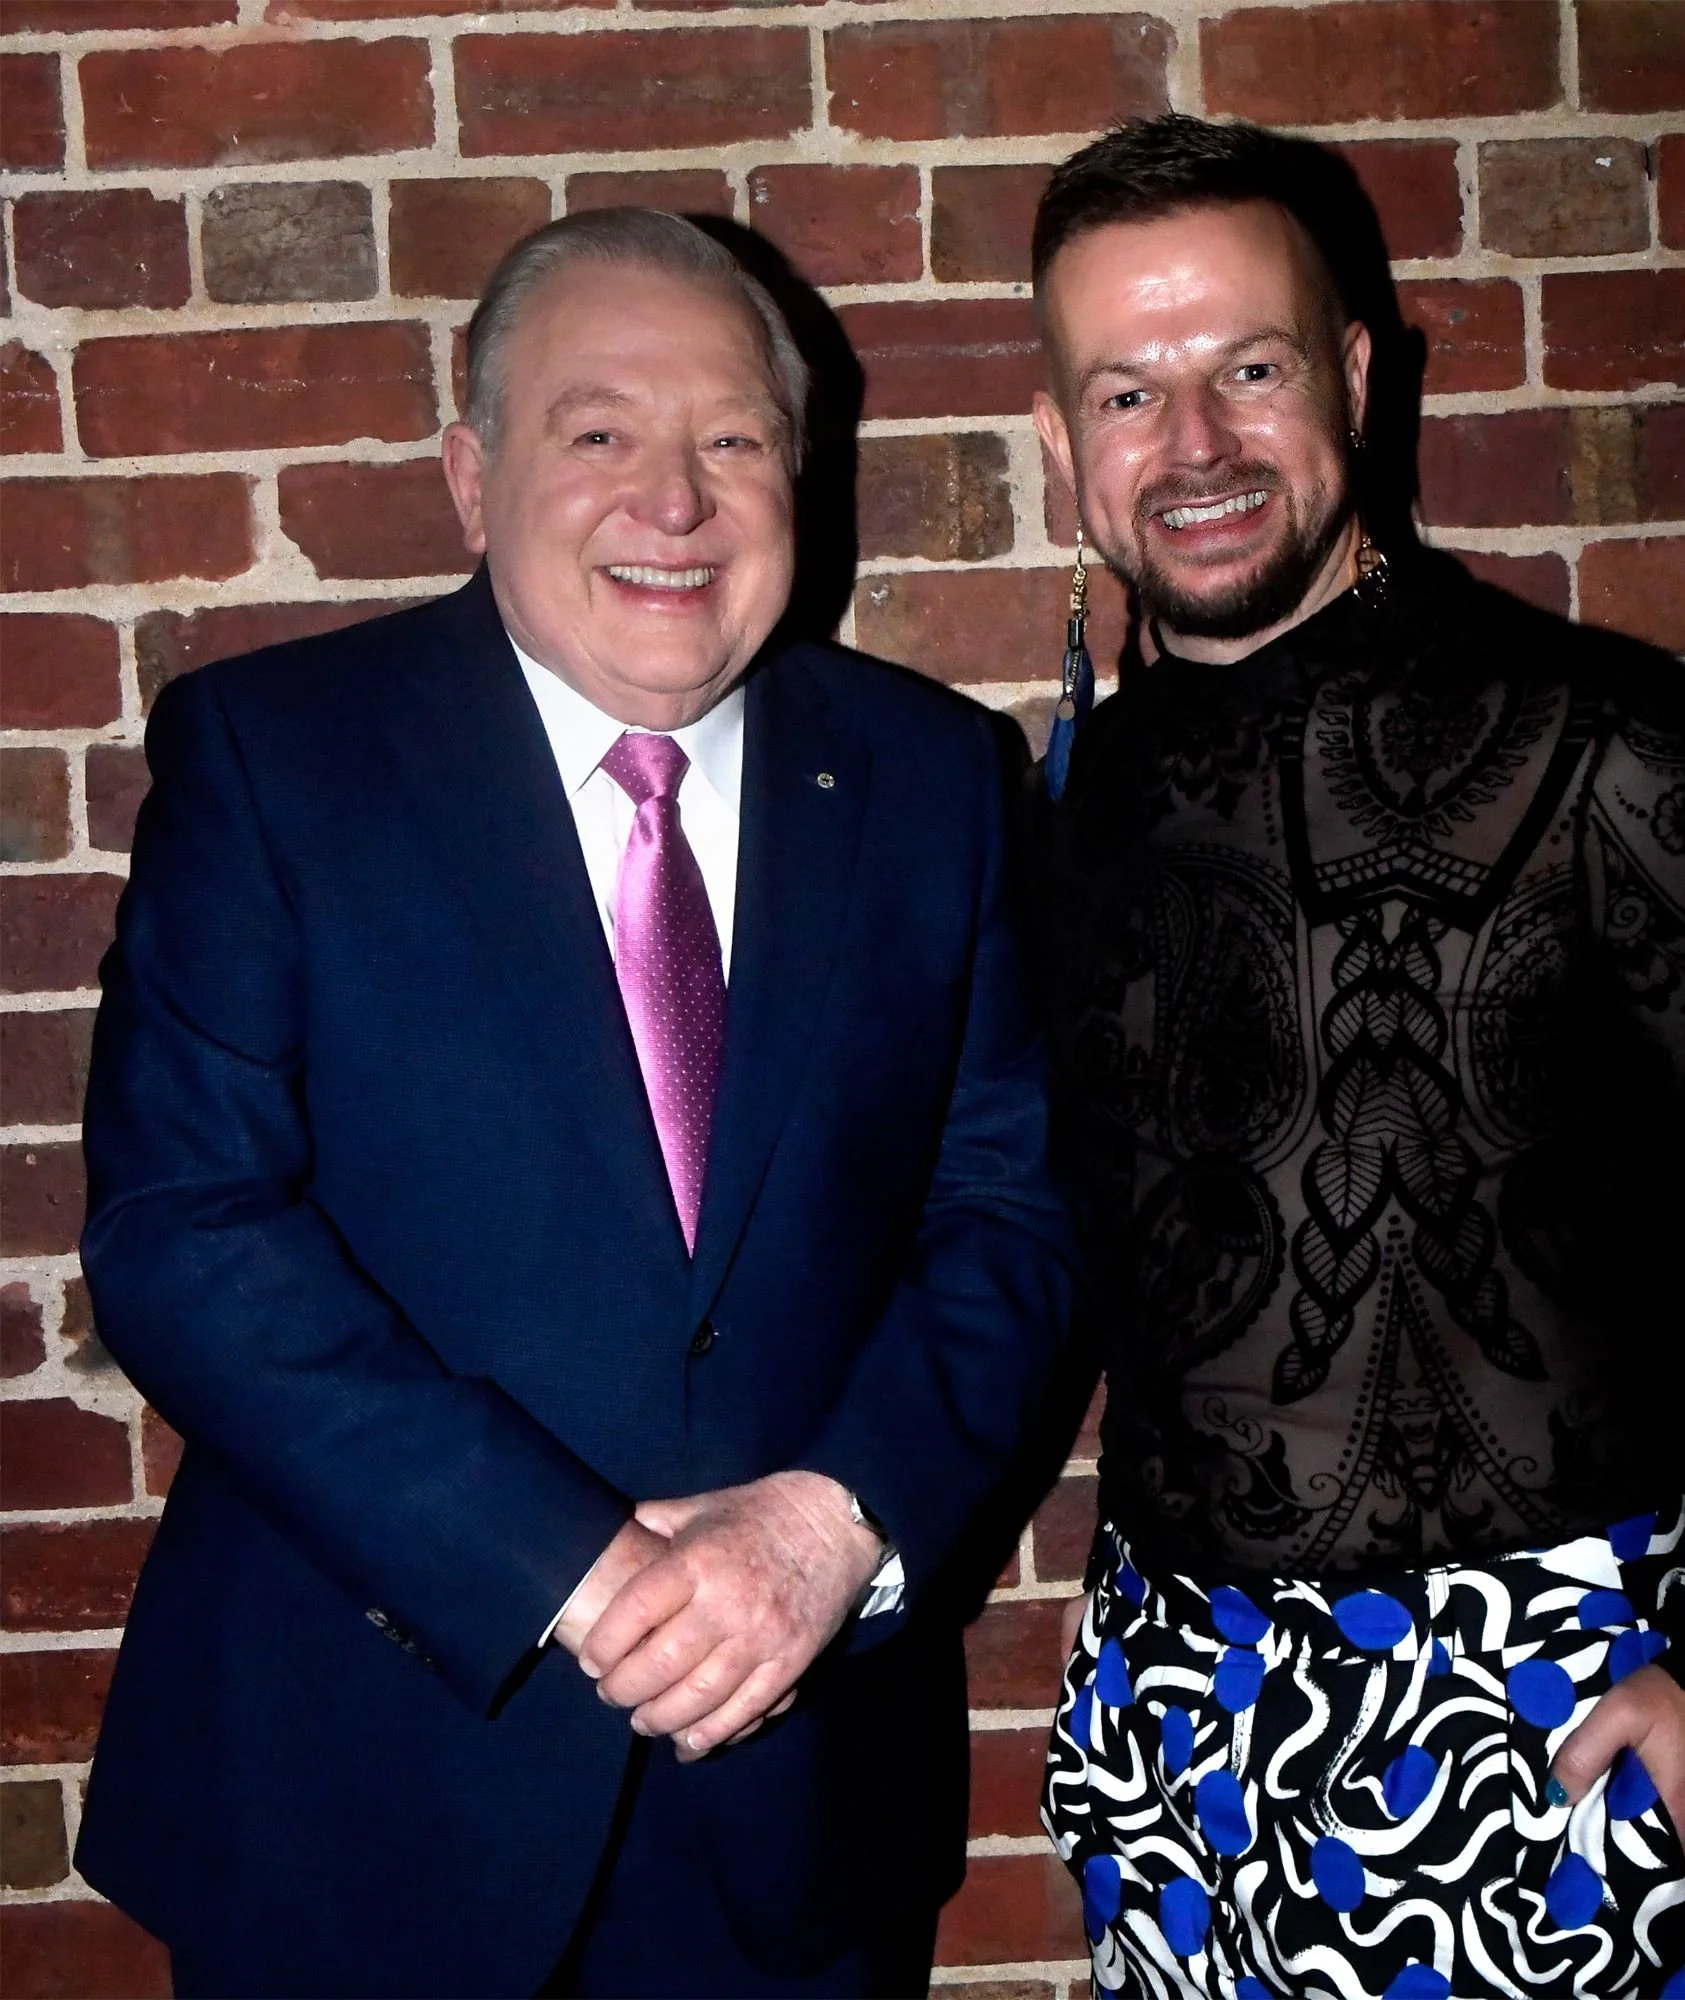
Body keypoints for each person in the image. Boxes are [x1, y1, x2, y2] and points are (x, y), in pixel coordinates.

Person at [76, 207, 1074, 1999]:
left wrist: (827, 1528)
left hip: (793, 1788)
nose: (672, 502)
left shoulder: (937, 780)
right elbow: (187, 1237)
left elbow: (1010, 1213)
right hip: (366, 1785)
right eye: (597, 431)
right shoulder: (274, 760)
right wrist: (575, 1569)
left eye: (733, 440)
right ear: (473, 476)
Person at [1026, 116, 1685, 2000]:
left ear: (1359, 378)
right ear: (1062, 445)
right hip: (1180, 1719)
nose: (1191, 447)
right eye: (1129, 390)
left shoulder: (1625, 755)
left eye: (1251, 369)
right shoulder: (1075, 794)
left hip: (1554, 1721)